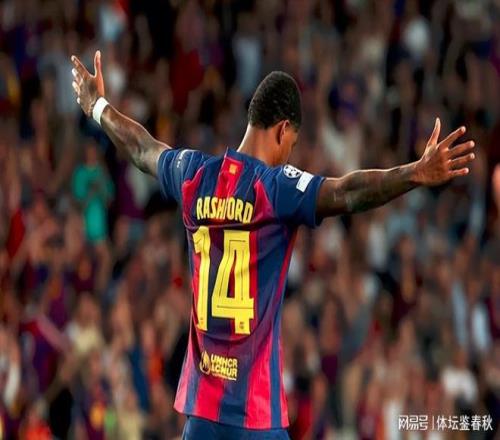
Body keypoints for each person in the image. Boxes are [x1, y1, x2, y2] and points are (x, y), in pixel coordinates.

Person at [70, 50, 476, 440]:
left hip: (202, 415)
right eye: (292, 145)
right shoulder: (275, 187)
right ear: (283, 130)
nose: (288, 155)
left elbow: (142, 148)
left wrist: (98, 106)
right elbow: (347, 192)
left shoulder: (193, 173)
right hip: (254, 416)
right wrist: (413, 173)